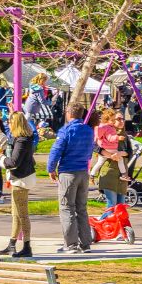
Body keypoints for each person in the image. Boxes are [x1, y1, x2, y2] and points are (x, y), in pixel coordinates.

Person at [47, 103, 94, 254]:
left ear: (68, 113)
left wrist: (51, 168)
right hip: (83, 171)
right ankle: (85, 243)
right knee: (81, 208)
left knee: (67, 208)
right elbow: (90, 150)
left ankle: (71, 244)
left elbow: (56, 150)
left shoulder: (66, 130)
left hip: (68, 171)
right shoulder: (88, 130)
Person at [0, 110, 37, 257]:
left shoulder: (22, 140)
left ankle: (27, 246)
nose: (8, 125)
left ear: (15, 123)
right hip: (20, 179)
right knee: (16, 214)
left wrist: (0, 158)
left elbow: (14, 162)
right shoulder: (24, 139)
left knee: (22, 215)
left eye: (10, 122)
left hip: (21, 181)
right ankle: (12, 243)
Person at [91, 116, 133, 209]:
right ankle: (104, 222)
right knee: (112, 205)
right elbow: (94, 146)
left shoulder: (125, 136)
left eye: (123, 119)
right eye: (118, 119)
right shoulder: (106, 132)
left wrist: (120, 153)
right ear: (112, 121)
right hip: (109, 172)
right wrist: (109, 154)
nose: (121, 121)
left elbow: (130, 152)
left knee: (120, 207)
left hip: (122, 176)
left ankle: (112, 223)